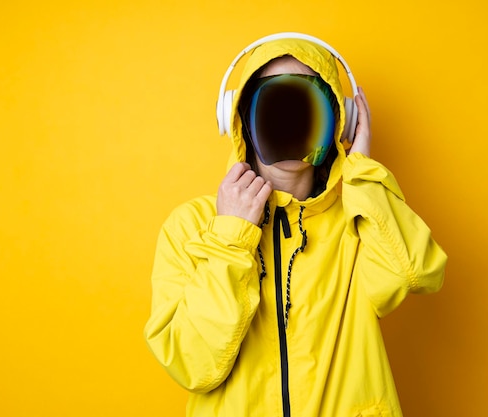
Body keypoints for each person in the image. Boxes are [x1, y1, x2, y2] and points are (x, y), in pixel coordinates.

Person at [144, 33, 447, 417]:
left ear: (340, 121)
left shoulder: (359, 218)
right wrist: (231, 237)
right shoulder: (192, 227)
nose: (289, 122)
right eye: (274, 107)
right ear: (241, 122)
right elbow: (194, 364)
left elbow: (415, 275)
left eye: (305, 106)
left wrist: (363, 175)